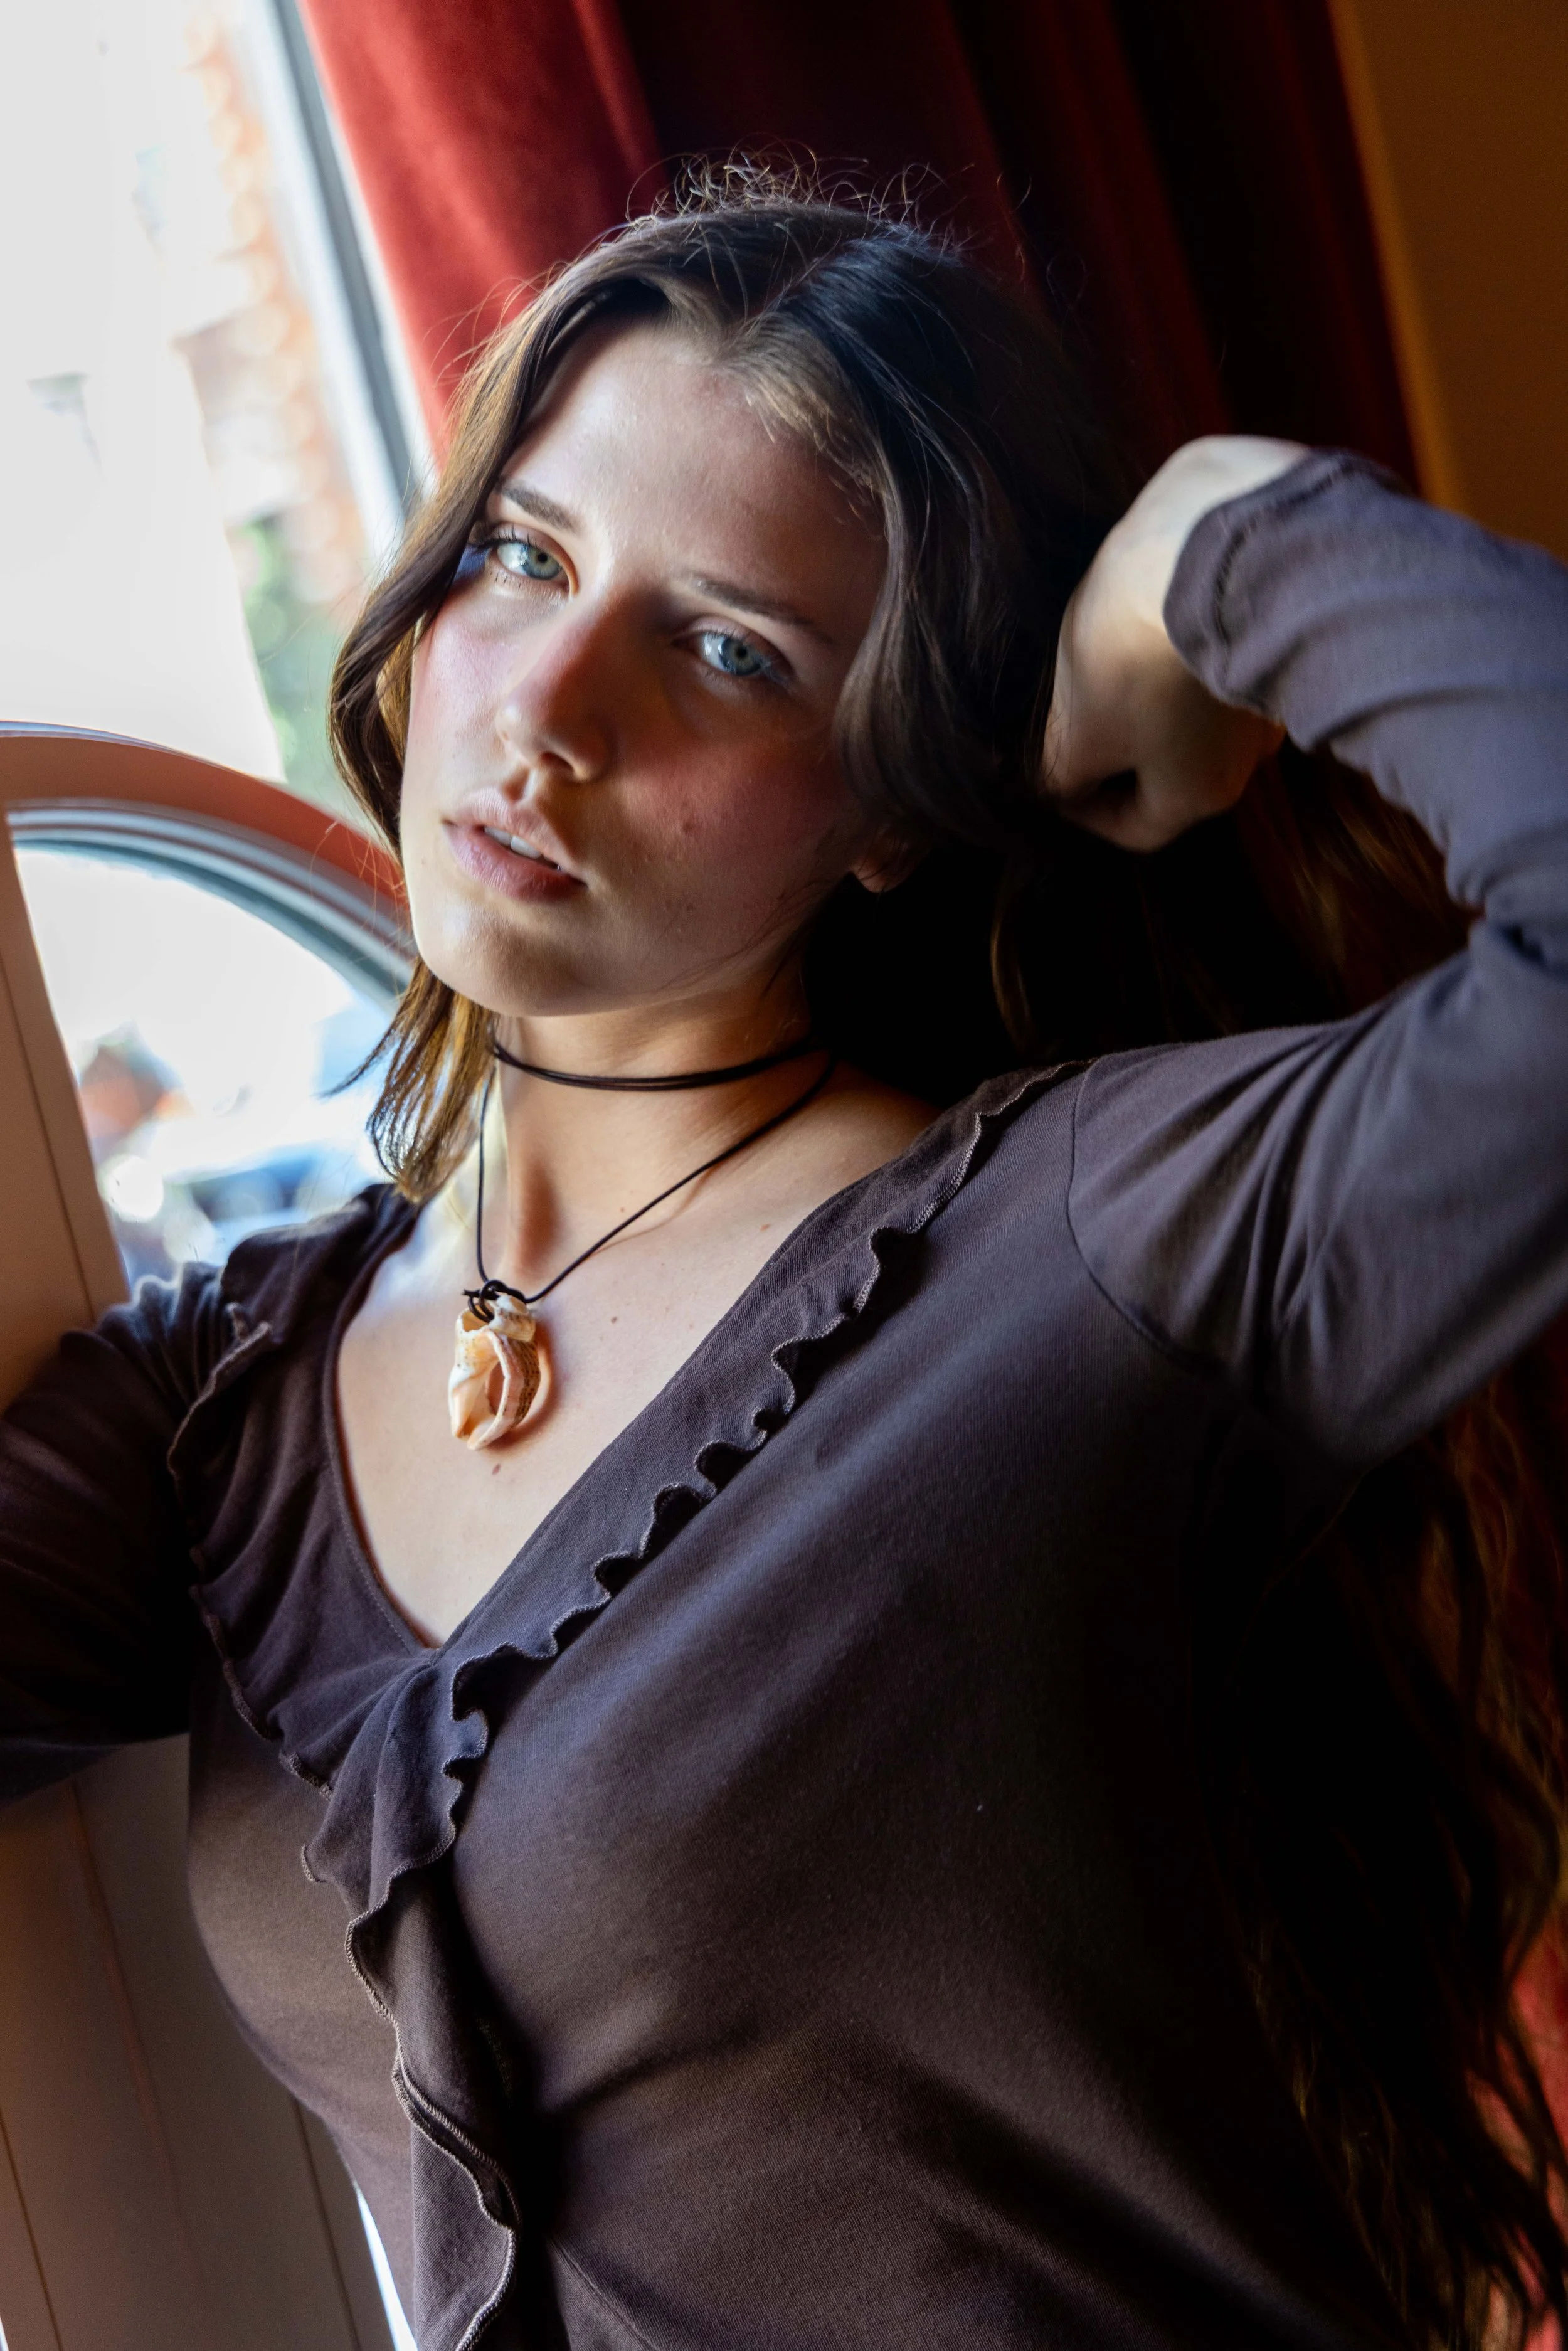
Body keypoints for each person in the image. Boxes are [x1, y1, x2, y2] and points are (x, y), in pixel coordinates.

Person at [3, 176, 1567, 2351]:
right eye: (520, 558)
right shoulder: (220, 1406)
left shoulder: (1090, 1247)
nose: (543, 710)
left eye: (729, 648)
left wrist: (1231, 546)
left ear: (893, 802)